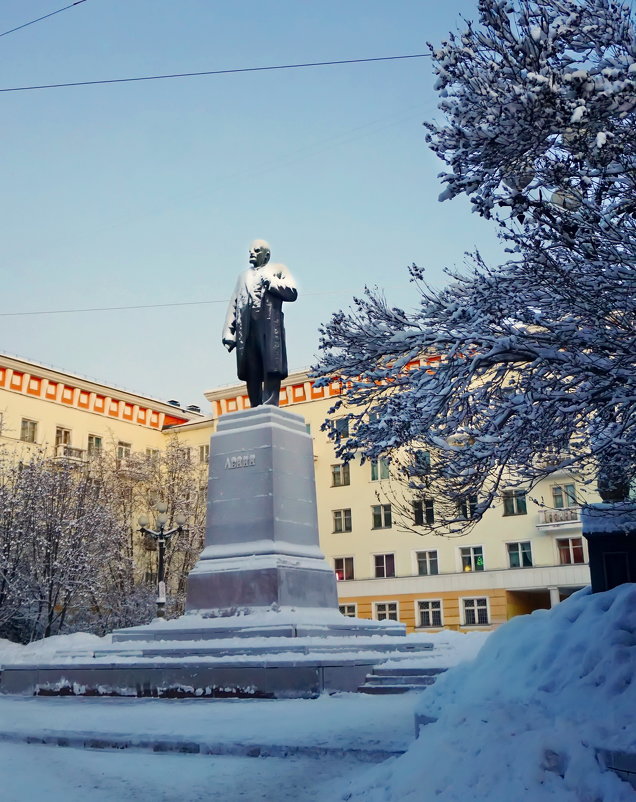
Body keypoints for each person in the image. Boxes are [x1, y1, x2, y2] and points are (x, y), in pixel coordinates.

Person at [222, 240, 297, 407]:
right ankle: (255, 405)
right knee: (251, 368)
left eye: (256, 250)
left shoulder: (278, 270)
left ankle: (270, 404)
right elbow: (234, 302)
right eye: (250, 250)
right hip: (247, 328)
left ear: (266, 255)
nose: (251, 253)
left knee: (271, 366)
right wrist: (228, 331)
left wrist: (271, 283)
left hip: (269, 326)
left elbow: (292, 293)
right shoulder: (243, 276)